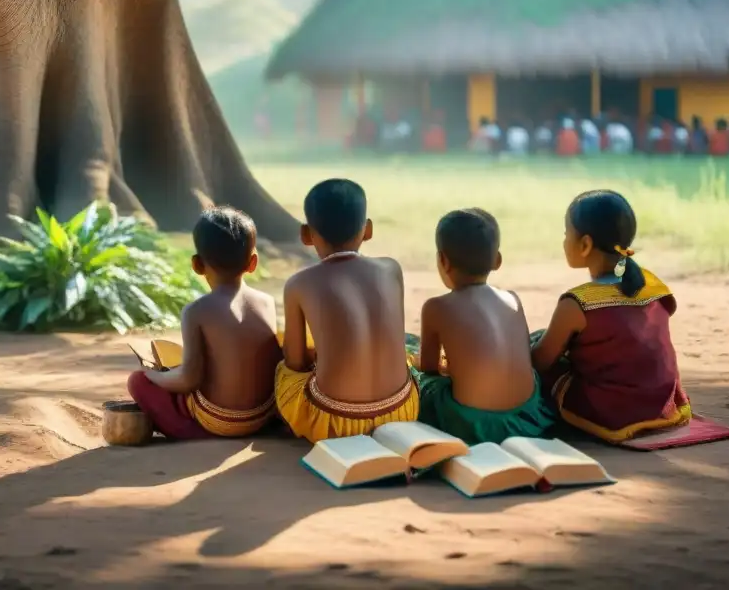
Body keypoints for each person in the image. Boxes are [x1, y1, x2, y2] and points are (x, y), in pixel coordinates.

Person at [531, 191, 691, 443]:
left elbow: (540, 362)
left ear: (585, 244)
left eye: (566, 233)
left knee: (541, 360)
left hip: (616, 412)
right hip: (662, 403)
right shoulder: (651, 282)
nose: (563, 241)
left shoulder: (577, 303)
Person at [276, 179, 418, 443]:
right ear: (368, 230)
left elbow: (295, 364)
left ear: (306, 234)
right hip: (402, 412)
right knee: (408, 347)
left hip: (330, 422)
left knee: (281, 372)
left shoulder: (299, 284)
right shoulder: (391, 268)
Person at [127, 207, 281, 440]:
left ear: (197, 265)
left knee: (137, 381)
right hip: (262, 416)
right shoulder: (267, 302)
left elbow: (190, 379)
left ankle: (192, 434)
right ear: (253, 263)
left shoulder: (196, 311)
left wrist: (152, 376)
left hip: (218, 420)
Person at [411, 209, 555, 444]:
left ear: (443, 261)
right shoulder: (512, 299)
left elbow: (429, 367)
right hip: (525, 414)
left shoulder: (436, 307)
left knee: (420, 380)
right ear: (497, 260)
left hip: (471, 421)